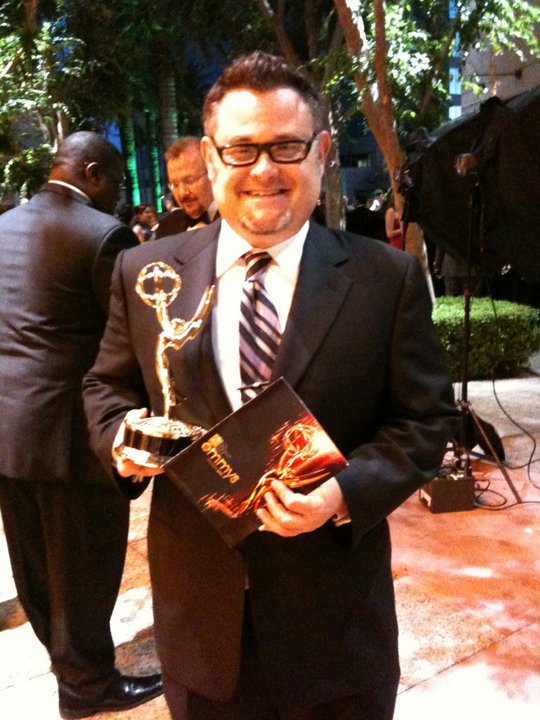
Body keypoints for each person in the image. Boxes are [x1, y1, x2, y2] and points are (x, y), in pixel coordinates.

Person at [83, 52, 457, 720]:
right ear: (211, 155)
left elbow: (426, 422)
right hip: (200, 627)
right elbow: (104, 389)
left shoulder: (384, 281)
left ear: (319, 152)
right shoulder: (145, 274)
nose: (263, 169)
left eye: (285, 146)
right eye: (243, 148)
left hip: (336, 627)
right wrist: (121, 440)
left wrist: (342, 493)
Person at [0, 131, 163, 719]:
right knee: (85, 565)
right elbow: (130, 337)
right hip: (70, 433)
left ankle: (69, 667)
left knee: (36, 564)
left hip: (8, 433)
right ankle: (87, 685)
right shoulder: (101, 235)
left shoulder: (4, 225)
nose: (116, 195)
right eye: (114, 182)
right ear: (92, 172)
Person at [155, 136, 218, 238]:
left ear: (211, 173)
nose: (182, 193)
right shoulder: (167, 227)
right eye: (175, 185)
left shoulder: (234, 223)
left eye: (189, 181)